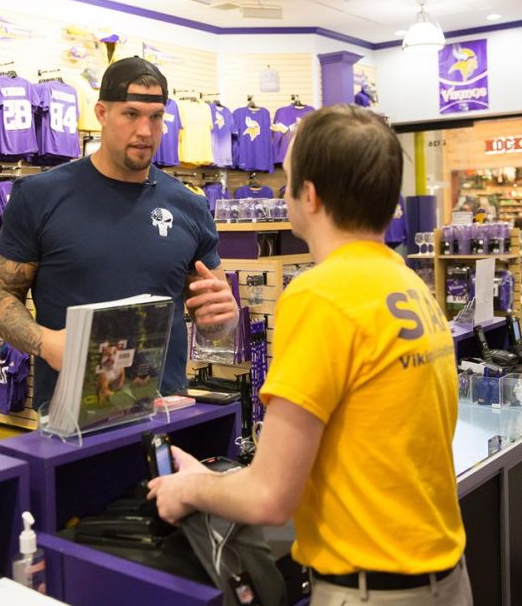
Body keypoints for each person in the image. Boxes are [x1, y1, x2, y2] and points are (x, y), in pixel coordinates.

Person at [148, 105, 471, 606]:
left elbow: (270, 497)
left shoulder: (320, 294)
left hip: (372, 590)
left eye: (289, 177)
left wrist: (187, 490)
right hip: (442, 579)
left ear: (310, 194)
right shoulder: (409, 284)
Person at [0, 56, 239, 410]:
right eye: (131, 114)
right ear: (102, 113)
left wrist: (224, 318)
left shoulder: (189, 206)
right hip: (71, 418)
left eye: (155, 118)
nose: (145, 131)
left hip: (164, 413)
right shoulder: (40, 196)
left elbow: (213, 319)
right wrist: (45, 342)